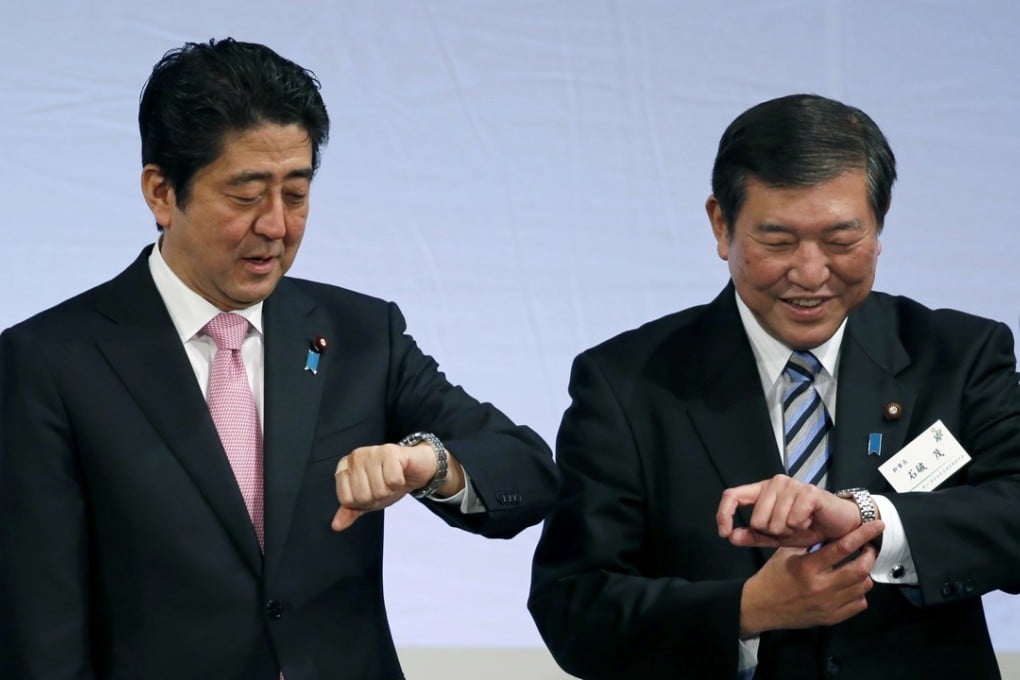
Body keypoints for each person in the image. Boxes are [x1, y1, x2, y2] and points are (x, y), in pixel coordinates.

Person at [0, 38, 559, 680]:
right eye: (245, 195)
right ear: (162, 192)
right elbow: (39, 628)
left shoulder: (360, 334)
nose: (276, 225)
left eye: (296, 194)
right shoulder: (49, 362)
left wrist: (429, 464)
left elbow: (528, 472)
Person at [528, 93, 1020, 679]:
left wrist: (870, 520)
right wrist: (747, 610)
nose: (811, 274)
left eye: (841, 240)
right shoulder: (626, 383)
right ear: (721, 225)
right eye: (778, 242)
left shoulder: (959, 355)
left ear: (879, 223)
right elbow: (574, 607)